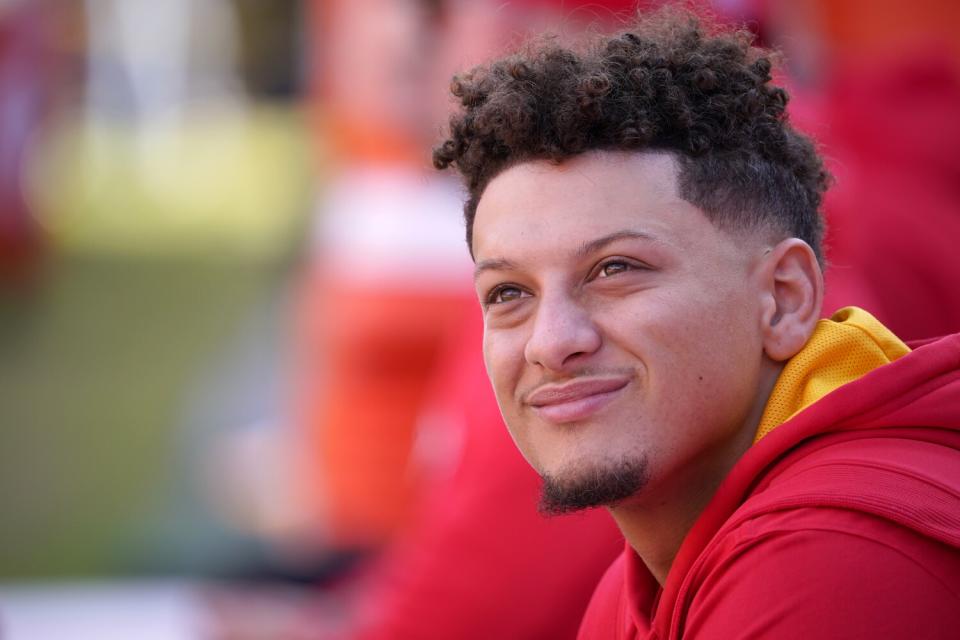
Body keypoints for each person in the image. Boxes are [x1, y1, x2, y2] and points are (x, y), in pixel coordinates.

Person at [432, 7, 960, 639]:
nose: (552, 343)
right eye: (508, 292)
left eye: (615, 268)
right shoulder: (645, 579)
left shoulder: (830, 563)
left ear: (785, 299)